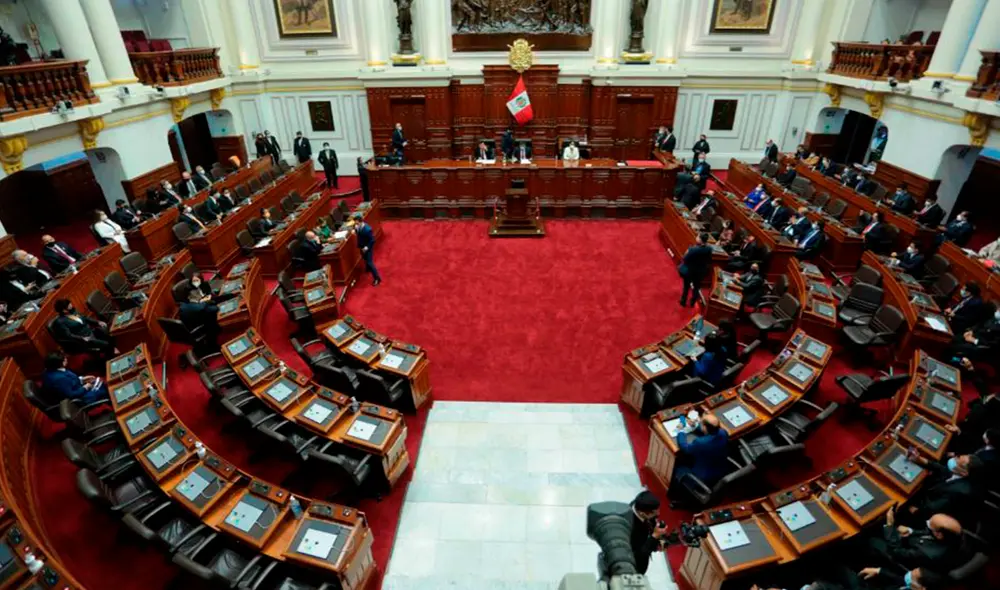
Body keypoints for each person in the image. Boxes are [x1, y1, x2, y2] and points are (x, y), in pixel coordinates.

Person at [865, 510, 966, 572]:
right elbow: (928, 533)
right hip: (917, 545)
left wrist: (890, 526)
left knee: (873, 541)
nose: (928, 522)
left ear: (939, 534)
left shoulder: (926, 553)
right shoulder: (953, 534)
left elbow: (896, 552)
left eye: (930, 523)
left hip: (906, 560)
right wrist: (911, 531)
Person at [671, 413, 729, 506]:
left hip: (703, 475)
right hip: (721, 470)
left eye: (701, 423)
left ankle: (676, 495)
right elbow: (710, 432)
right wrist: (695, 425)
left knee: (678, 468)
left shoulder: (700, 443)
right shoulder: (723, 433)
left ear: (705, 427)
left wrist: (680, 431)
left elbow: (685, 448)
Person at [41, 352, 108, 405]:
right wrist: (85, 387)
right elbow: (71, 395)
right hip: (79, 400)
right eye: (64, 359)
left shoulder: (49, 370)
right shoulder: (59, 379)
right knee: (104, 387)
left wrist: (82, 379)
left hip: (77, 388)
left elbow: (69, 381)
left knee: (97, 381)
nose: (66, 359)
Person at [629, 491, 670, 575]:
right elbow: (639, 554)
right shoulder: (630, 527)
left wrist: (658, 543)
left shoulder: (640, 505)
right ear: (642, 513)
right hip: (634, 566)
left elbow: (652, 523)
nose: (658, 514)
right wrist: (654, 536)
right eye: (655, 512)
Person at [178, 288, 220, 356]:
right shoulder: (199, 308)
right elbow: (216, 309)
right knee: (212, 319)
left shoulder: (184, 305)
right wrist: (206, 302)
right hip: (197, 330)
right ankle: (212, 347)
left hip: (189, 327)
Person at [679, 233, 713, 307]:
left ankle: (683, 301)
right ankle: (692, 302)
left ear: (700, 240)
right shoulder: (709, 248)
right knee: (696, 287)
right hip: (700, 272)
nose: (696, 237)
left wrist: (687, 251)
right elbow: (709, 260)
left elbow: (685, 259)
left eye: (697, 236)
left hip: (690, 271)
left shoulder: (693, 249)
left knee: (686, 287)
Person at [353, 212, 381, 285]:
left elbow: (372, 240)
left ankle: (377, 278)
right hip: (361, 246)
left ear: (360, 221)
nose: (355, 224)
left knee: (370, 262)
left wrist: (367, 247)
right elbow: (358, 233)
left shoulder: (367, 229)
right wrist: (355, 230)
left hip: (367, 248)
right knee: (364, 257)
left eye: (356, 222)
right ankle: (368, 268)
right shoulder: (358, 226)